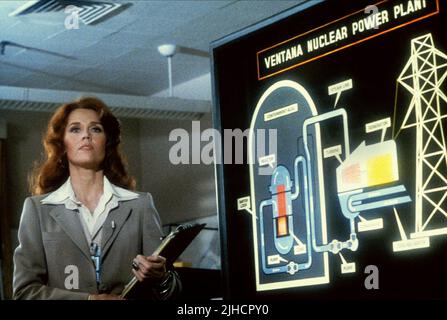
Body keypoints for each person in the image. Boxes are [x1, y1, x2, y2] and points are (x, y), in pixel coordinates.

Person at [13, 97, 180, 300]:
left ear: (107, 142)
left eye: (96, 129)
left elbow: (171, 292)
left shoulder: (140, 205)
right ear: (62, 143)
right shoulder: (37, 209)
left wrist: (161, 277)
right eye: (75, 129)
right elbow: (24, 292)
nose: (86, 135)